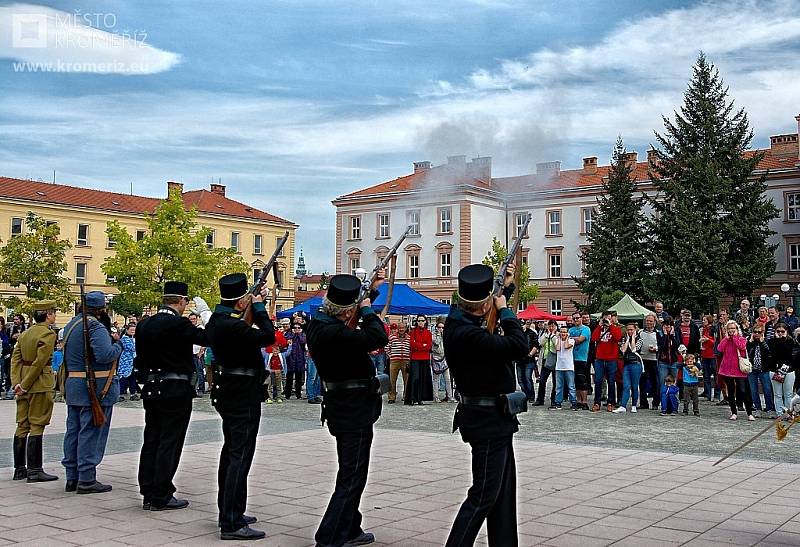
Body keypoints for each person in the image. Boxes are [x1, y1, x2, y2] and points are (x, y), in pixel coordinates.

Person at [443, 263, 527, 546]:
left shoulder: (459, 321)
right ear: (483, 306)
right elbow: (518, 345)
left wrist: (507, 287)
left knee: (502, 494)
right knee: (483, 496)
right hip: (487, 420)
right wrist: (505, 309)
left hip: (494, 418)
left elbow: (482, 314)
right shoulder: (468, 335)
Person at [306, 272, 389, 547]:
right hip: (353, 409)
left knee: (351, 471)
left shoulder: (319, 324)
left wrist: (371, 293)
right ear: (348, 311)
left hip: (343, 406)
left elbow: (351, 321)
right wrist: (366, 308)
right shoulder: (335, 332)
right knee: (352, 475)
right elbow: (377, 336)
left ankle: (350, 527)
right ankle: (328, 538)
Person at [204, 273, 275, 540]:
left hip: (230, 392)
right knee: (239, 456)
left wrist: (251, 305)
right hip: (242, 394)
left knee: (233, 453)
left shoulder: (217, 321)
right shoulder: (232, 326)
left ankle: (231, 509)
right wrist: (258, 307)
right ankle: (231, 522)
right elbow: (268, 336)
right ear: (239, 302)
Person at [135, 281, 209, 512]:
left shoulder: (145, 324)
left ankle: (148, 488)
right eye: (185, 302)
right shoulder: (178, 324)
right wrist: (206, 315)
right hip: (175, 389)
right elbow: (208, 338)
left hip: (151, 387)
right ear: (181, 301)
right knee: (170, 440)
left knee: (152, 438)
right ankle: (161, 492)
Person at [61, 291, 123, 494]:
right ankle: (86, 478)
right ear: (101, 309)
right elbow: (104, 354)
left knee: (74, 430)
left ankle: (73, 476)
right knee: (91, 431)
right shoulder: (94, 326)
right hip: (94, 387)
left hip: (75, 386)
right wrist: (118, 345)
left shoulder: (72, 324)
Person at [10, 300, 59, 482]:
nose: (54, 316)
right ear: (48, 315)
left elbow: (16, 360)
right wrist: (26, 384)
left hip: (22, 382)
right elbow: (40, 363)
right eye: (53, 312)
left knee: (22, 424)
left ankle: (19, 469)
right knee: (37, 423)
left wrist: (17, 383)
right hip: (38, 383)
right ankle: (34, 470)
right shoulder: (47, 334)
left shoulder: (25, 334)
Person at [717, 320, 754, 421]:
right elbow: (719, 349)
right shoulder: (725, 340)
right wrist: (726, 339)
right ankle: (733, 412)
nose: (731, 330)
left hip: (739, 369)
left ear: (737, 329)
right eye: (729, 328)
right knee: (731, 390)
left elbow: (741, 346)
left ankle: (749, 412)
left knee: (743, 390)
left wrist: (734, 337)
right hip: (727, 369)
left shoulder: (742, 339)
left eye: (733, 328)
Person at [591, 311, 621, 412]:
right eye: (605, 318)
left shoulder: (616, 328)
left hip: (611, 359)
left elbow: (617, 338)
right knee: (598, 381)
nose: (606, 320)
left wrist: (610, 326)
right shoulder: (599, 329)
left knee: (611, 382)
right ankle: (597, 402)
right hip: (599, 359)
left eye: (608, 318)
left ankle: (611, 402)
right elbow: (594, 338)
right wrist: (599, 326)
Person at [768, 323, 797, 416]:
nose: (780, 333)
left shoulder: (791, 341)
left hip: (788, 371)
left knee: (788, 394)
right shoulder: (771, 341)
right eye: (778, 331)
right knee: (777, 394)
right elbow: (774, 354)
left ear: (786, 332)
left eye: (782, 331)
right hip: (775, 370)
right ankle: (779, 413)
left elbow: (788, 353)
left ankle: (788, 414)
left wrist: (783, 340)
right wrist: (778, 340)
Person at [746, 324, 775, 418]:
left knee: (767, 389)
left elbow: (769, 354)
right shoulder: (750, 342)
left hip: (764, 369)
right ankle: (758, 408)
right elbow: (746, 352)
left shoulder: (767, 341)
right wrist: (750, 342)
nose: (757, 334)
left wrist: (762, 343)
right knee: (754, 390)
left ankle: (769, 409)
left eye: (759, 332)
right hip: (752, 369)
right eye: (755, 332)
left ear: (763, 333)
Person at [614, 323, 643, 414]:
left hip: (636, 364)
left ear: (635, 330)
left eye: (632, 330)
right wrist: (627, 340)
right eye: (628, 330)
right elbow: (623, 350)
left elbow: (634, 349)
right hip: (626, 365)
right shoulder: (624, 339)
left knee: (634, 386)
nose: (630, 331)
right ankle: (623, 406)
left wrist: (633, 338)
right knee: (626, 386)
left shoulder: (639, 339)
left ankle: (634, 405)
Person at [406, 315, 433, 405]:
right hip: (415, 358)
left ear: (425, 321)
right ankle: (413, 398)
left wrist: (419, 346)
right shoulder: (412, 332)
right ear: (416, 322)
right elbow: (412, 344)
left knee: (422, 379)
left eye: (422, 320)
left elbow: (429, 346)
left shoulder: (428, 333)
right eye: (419, 321)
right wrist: (423, 345)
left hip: (425, 358)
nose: (420, 322)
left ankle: (420, 398)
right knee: (415, 378)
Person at [551, 326, 578, 410]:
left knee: (571, 386)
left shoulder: (571, 340)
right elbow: (558, 348)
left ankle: (573, 402)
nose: (563, 334)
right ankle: (558, 402)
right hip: (559, 367)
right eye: (561, 332)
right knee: (559, 386)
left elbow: (566, 346)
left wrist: (566, 338)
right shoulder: (557, 340)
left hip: (569, 367)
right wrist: (558, 338)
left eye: (565, 332)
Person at [568, 313, 590, 410]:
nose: (576, 319)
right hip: (571, 358)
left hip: (582, 358)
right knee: (575, 381)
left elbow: (580, 340)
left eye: (577, 318)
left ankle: (584, 401)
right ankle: (578, 401)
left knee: (582, 380)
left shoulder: (586, 329)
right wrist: (572, 339)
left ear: (581, 318)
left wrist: (571, 339)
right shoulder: (571, 330)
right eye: (574, 318)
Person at [534, 320, 558, 407]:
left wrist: (553, 336)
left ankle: (554, 400)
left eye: (553, 326)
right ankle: (540, 399)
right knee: (542, 380)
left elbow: (557, 345)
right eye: (549, 326)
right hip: (545, 359)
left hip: (555, 360)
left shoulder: (558, 335)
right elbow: (540, 342)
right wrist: (547, 335)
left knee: (555, 382)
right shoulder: (545, 334)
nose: (551, 328)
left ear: (556, 326)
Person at [639, 314, 659, 409]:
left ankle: (655, 403)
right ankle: (643, 403)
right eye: (647, 321)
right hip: (643, 360)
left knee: (655, 382)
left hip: (654, 360)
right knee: (642, 382)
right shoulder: (640, 332)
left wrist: (656, 349)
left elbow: (662, 345)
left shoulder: (658, 333)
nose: (649, 323)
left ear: (655, 322)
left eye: (651, 321)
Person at [656, 317, 680, 398]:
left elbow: (677, 346)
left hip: (674, 361)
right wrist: (666, 336)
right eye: (666, 325)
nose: (667, 327)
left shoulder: (676, 333)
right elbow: (661, 346)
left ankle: (674, 400)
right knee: (662, 382)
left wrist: (672, 336)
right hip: (663, 362)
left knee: (674, 382)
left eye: (669, 326)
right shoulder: (659, 334)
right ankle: (663, 401)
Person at [386, 323, 410, 404]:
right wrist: (391, 355)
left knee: (406, 379)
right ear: (397, 328)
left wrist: (409, 357)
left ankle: (406, 396)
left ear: (406, 328)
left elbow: (411, 349)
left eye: (403, 328)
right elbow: (386, 347)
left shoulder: (409, 338)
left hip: (406, 361)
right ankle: (391, 397)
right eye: (400, 328)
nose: (401, 329)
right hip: (394, 361)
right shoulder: (392, 337)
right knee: (392, 379)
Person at [431, 321, 453, 403]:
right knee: (436, 379)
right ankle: (436, 397)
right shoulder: (433, 335)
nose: (441, 329)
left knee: (447, 379)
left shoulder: (446, 335)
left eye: (442, 327)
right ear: (436, 328)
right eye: (439, 327)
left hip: (444, 359)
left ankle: (450, 396)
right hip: (436, 358)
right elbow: (436, 342)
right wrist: (438, 335)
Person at [283, 323, 306, 400]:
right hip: (291, 358)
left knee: (298, 378)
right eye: (295, 327)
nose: (296, 329)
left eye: (298, 327)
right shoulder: (289, 333)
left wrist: (299, 334)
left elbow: (303, 341)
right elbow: (286, 339)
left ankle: (298, 394)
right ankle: (287, 394)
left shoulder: (302, 334)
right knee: (289, 378)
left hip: (299, 359)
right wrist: (293, 333)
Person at [699, 315, 719, 401]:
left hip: (712, 355)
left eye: (704, 320)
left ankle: (717, 395)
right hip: (704, 354)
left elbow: (716, 341)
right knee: (706, 375)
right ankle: (708, 394)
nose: (703, 322)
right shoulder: (702, 329)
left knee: (716, 375)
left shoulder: (713, 329)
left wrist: (708, 340)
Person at [118, 324, 139, 402]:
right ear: (127, 330)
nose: (133, 332)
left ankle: (133, 393)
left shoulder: (135, 338)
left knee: (133, 378)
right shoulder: (124, 338)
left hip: (133, 362)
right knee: (123, 378)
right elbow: (131, 348)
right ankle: (120, 394)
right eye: (131, 330)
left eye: (134, 330)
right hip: (126, 362)